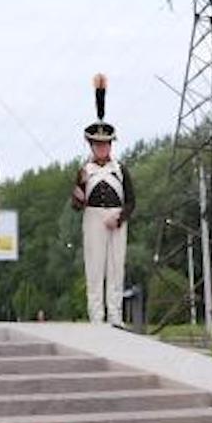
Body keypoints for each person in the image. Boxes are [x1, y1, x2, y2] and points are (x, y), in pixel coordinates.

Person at [71, 74, 132, 327]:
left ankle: (115, 314)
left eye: (105, 144)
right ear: (91, 146)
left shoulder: (120, 169)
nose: (102, 149)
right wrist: (78, 194)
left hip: (117, 218)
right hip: (93, 217)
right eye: (97, 145)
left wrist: (120, 217)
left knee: (116, 268)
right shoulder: (85, 170)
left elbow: (131, 200)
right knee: (95, 268)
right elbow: (76, 204)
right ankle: (96, 314)